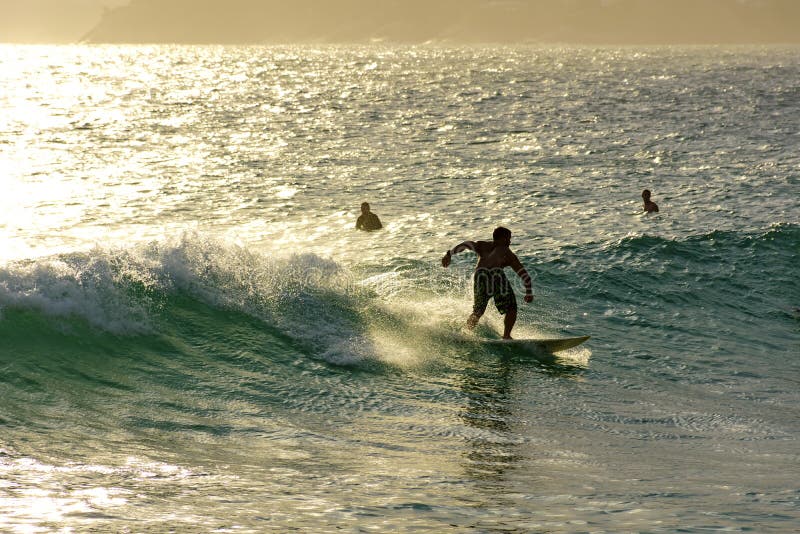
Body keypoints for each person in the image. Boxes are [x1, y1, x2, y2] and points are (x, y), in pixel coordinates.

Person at [441, 227, 534, 339]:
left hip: (480, 275)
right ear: (500, 239)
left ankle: (464, 334)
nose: (509, 242)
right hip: (496, 275)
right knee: (511, 308)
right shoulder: (506, 252)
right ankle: (506, 336)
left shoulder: (481, 245)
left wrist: (449, 254)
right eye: (507, 239)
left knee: (478, 311)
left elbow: (466, 244)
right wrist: (528, 292)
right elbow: (524, 275)